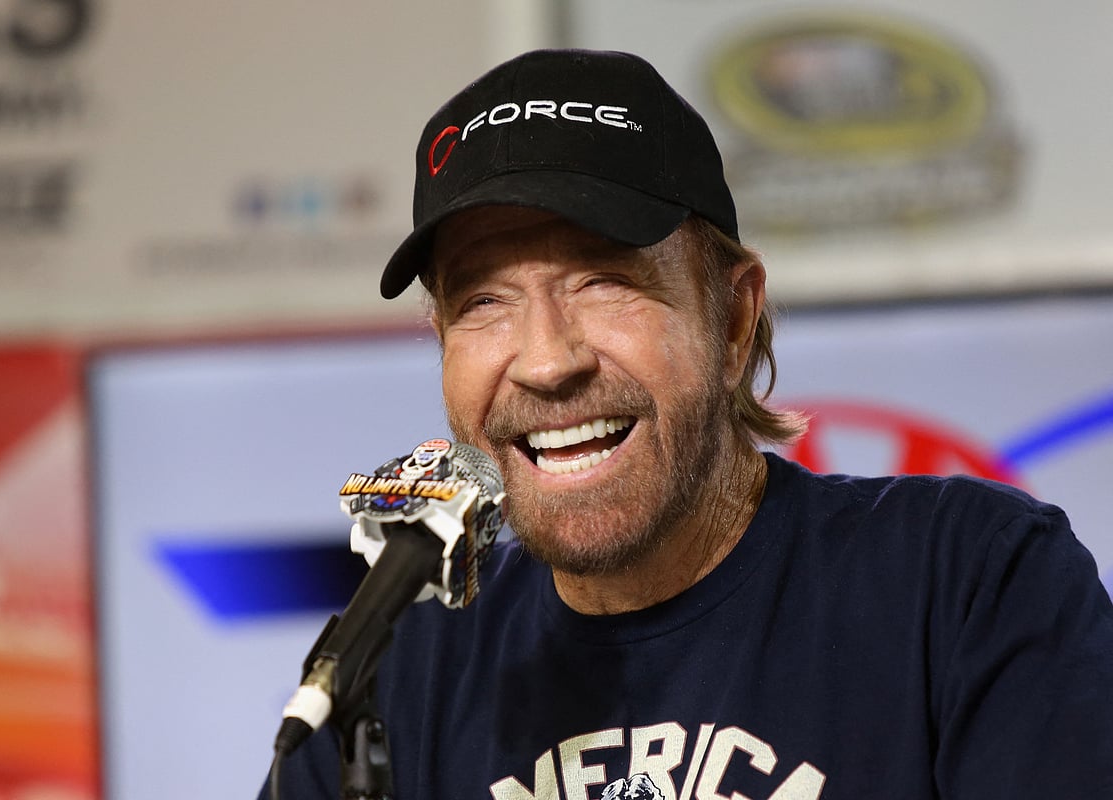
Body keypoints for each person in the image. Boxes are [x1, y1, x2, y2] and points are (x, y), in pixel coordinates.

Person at [266, 49, 1113, 799]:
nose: (547, 361)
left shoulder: (968, 582)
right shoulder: (398, 671)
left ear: (734, 320)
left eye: (604, 281)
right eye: (484, 300)